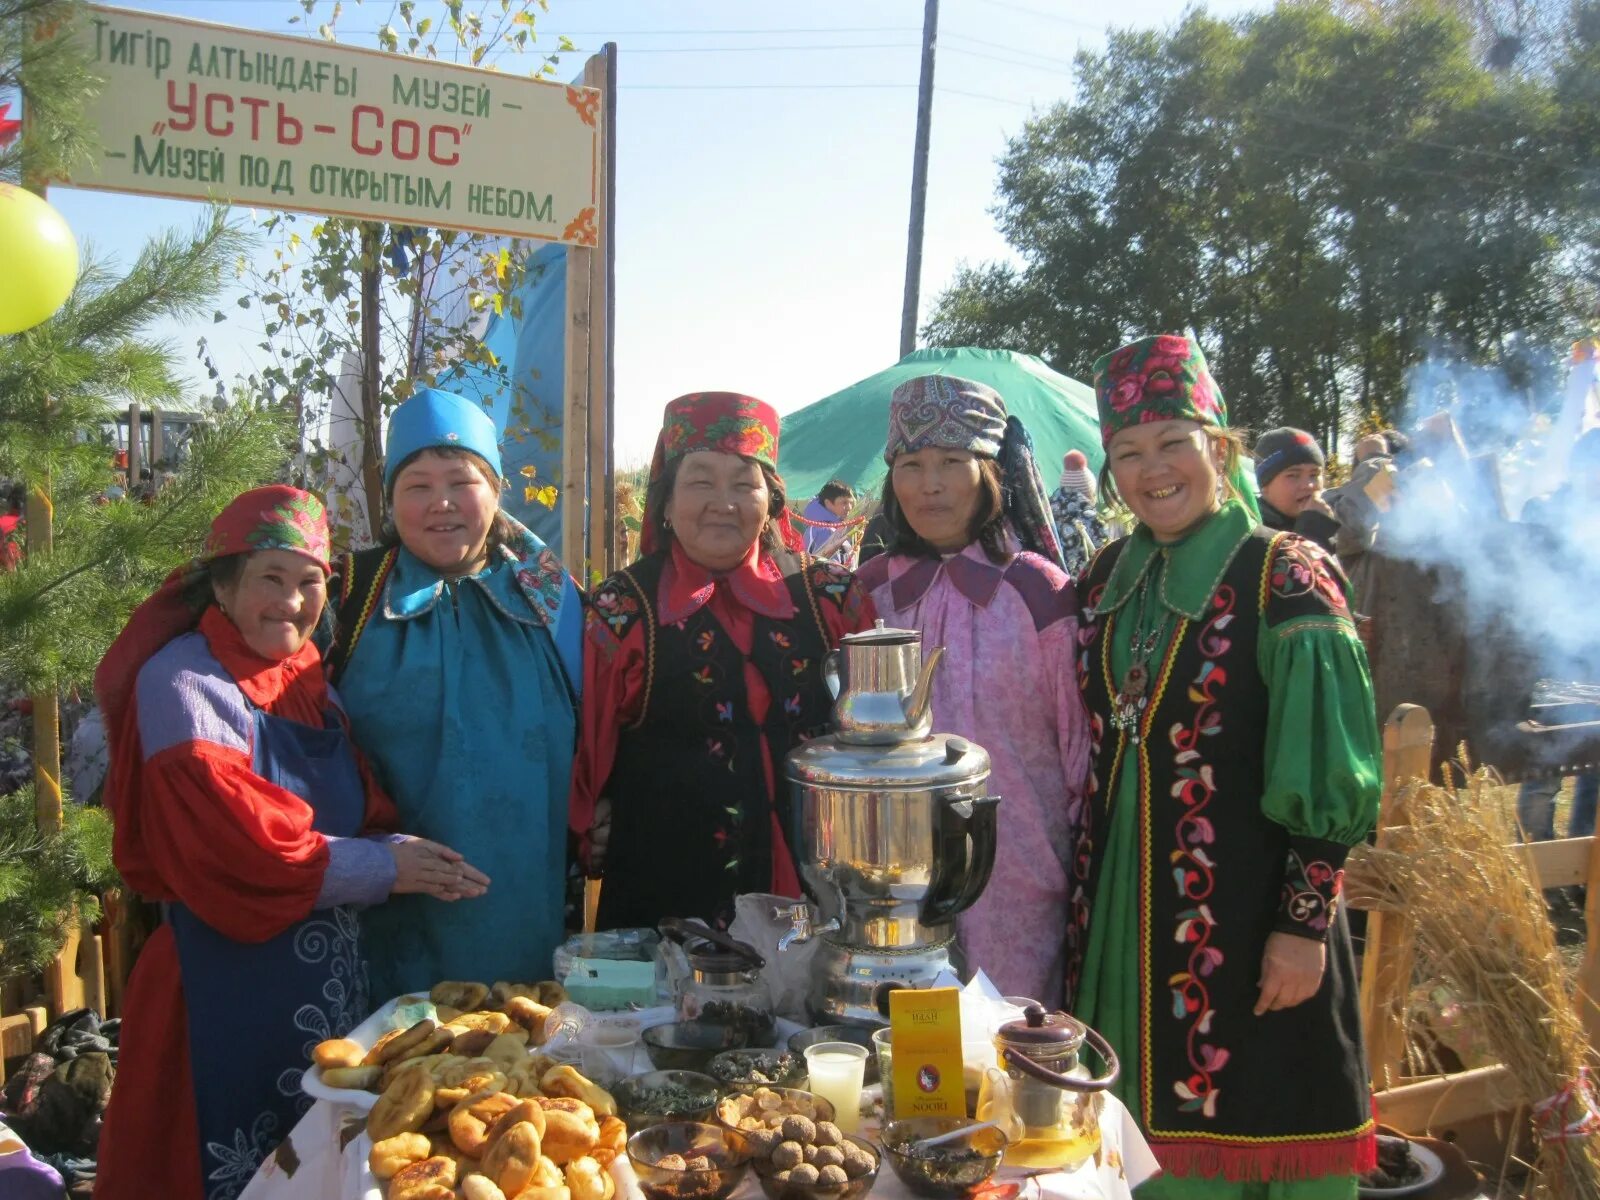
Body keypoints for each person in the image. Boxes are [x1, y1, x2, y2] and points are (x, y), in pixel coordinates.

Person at [93, 486, 485, 1200]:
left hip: (325, 996)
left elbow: (354, 808)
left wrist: (407, 850)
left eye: (310, 582)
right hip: (214, 993)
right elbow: (236, 847)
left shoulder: (309, 682)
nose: (292, 602)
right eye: (269, 579)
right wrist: (384, 866)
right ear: (222, 585)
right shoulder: (182, 683)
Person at [1068, 335, 1380, 1199]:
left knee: (1251, 1114)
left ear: (1220, 446)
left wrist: (1302, 926)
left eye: (1173, 442)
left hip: (1246, 918)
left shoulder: (1287, 574)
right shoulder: (1106, 577)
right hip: (1115, 919)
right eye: (1129, 453)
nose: (1152, 470)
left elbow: (1329, 765)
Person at [571, 392, 876, 930]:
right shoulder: (620, 610)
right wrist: (589, 824)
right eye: (700, 482)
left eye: (743, 484)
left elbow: (878, 737)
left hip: (822, 896)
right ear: (666, 504)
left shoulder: (832, 596)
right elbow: (588, 755)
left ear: (771, 502)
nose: (723, 502)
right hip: (665, 893)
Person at [320, 387, 583, 1003]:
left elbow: (603, 723)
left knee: (512, 1042)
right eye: (417, 486)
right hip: (384, 902)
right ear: (391, 501)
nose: (441, 503)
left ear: (496, 492)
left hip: (524, 894)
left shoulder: (553, 600)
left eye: (462, 482)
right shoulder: (344, 597)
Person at [854, 375, 1088, 1004]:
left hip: (1018, 883)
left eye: (952, 462)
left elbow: (1079, 758)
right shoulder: (868, 595)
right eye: (911, 465)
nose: (929, 484)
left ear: (990, 473)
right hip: (889, 880)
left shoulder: (1039, 594)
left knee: (1003, 1045)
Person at [1513, 428, 1600, 842]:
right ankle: (1534, 860)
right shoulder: (1544, 510)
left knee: (1596, 769)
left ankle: (1586, 858)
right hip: (1554, 655)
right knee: (1546, 765)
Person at [1253, 427, 1341, 553]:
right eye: (1293, 475)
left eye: (1314, 474)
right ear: (1264, 486)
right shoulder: (1251, 534)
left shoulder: (1330, 521)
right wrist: (1314, 533)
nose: (1308, 485)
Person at [1049, 449, 1109, 578]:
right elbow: (1105, 552)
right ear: (1088, 491)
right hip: (1082, 580)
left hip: (1054, 576)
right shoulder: (1089, 516)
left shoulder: (1048, 508)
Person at [799, 479, 858, 562]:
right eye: (844, 503)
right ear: (828, 503)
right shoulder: (824, 531)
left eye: (850, 503)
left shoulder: (820, 526)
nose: (849, 507)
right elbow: (830, 566)